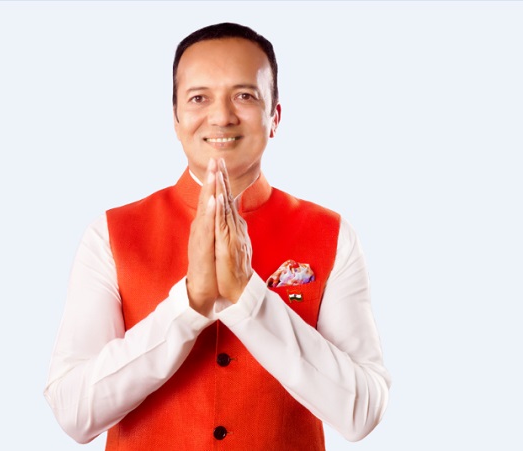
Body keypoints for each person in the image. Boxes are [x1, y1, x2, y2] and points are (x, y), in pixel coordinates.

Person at [44, 22, 390, 450]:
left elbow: (362, 413)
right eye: (198, 98)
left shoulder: (332, 234)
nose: (222, 116)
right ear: (175, 118)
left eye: (244, 96)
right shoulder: (110, 234)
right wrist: (189, 306)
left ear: (274, 117)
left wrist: (249, 298)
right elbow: (73, 413)